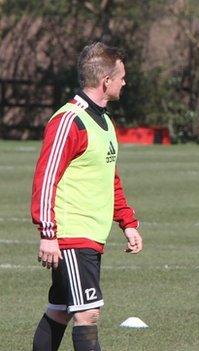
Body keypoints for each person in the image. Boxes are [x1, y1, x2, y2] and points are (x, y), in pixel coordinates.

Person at [31, 42, 143, 351]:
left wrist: (127, 221)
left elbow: (109, 176)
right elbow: (46, 177)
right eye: (121, 76)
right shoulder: (69, 120)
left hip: (91, 235)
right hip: (71, 235)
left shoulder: (104, 121)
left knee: (59, 311)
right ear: (106, 80)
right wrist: (48, 234)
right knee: (87, 313)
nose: (125, 82)